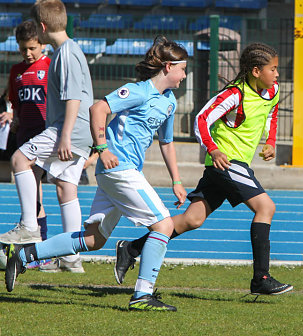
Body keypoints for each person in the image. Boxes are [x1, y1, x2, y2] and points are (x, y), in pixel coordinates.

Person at [5, 35, 188, 312]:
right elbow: (98, 108)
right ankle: (142, 295)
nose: (185, 75)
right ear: (167, 67)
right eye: (183, 68)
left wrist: (176, 180)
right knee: (164, 225)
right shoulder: (138, 91)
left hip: (122, 172)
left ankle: (24, 254)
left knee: (93, 239)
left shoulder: (169, 101)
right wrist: (102, 149)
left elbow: (166, 142)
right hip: (119, 170)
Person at [114, 42, 293, 296]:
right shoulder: (235, 94)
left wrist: (271, 141)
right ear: (256, 71)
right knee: (266, 207)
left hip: (229, 166)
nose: (277, 74)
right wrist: (213, 149)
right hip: (226, 163)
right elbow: (201, 118)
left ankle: (131, 248)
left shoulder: (272, 90)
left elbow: (272, 114)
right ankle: (261, 278)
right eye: (273, 69)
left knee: (192, 220)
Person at [2, 0, 94, 273]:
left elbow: (74, 97)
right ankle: (71, 257)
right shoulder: (66, 52)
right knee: (67, 189)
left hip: (69, 130)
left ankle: (29, 227)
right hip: (78, 132)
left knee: (20, 160)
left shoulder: (66, 53)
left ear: (42, 28)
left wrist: (64, 136)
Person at [0, 20, 51, 247]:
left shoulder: (50, 66)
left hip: (45, 134)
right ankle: (36, 243)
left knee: (37, 187)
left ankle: (39, 241)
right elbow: (14, 100)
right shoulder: (16, 71)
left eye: (32, 48)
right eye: (23, 49)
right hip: (25, 135)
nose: (28, 53)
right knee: (32, 188)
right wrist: (14, 116)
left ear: (42, 44)